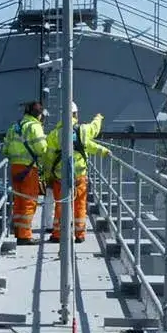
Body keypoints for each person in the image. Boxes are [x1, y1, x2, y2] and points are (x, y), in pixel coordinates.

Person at [42, 102, 109, 243]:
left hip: (60, 177)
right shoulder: (83, 130)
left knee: (60, 205)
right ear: (75, 114)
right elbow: (93, 131)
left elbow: (48, 157)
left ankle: (58, 234)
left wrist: (47, 176)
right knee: (79, 205)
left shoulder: (54, 134)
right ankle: (80, 234)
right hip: (79, 176)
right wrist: (99, 118)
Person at [2, 101, 48, 245]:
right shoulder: (35, 126)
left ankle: (17, 230)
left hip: (15, 168)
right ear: (39, 115)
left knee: (19, 201)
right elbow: (42, 148)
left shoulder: (14, 127)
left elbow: (5, 150)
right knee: (29, 201)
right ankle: (25, 236)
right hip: (29, 169)